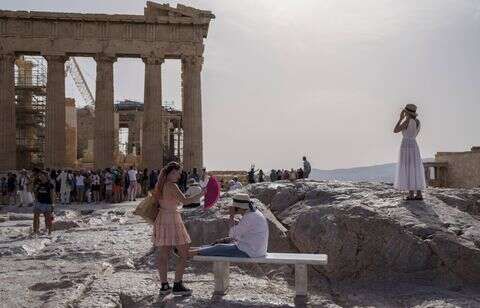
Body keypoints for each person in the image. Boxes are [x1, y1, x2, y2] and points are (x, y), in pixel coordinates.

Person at [152, 162, 205, 296]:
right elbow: (185, 201)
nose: (179, 175)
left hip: (162, 218)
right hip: (172, 219)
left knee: (163, 254)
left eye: (179, 173)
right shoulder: (172, 185)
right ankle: (177, 284)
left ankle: (164, 286)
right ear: (170, 173)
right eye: (176, 172)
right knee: (184, 252)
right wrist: (201, 193)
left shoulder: (160, 185)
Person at [190, 193, 268, 258]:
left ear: (238, 207)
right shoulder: (254, 213)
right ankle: (187, 250)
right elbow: (239, 235)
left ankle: (187, 254)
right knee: (218, 245)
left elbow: (232, 234)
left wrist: (231, 215)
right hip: (256, 249)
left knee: (218, 248)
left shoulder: (249, 217)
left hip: (251, 251)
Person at [393, 104, 426, 200]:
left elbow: (395, 130)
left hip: (406, 145)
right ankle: (419, 193)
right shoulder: (418, 122)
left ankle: (411, 194)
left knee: (408, 167)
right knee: (415, 167)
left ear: (406, 112)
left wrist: (400, 118)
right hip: (414, 144)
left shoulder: (407, 121)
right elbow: (415, 134)